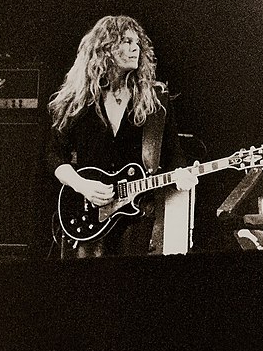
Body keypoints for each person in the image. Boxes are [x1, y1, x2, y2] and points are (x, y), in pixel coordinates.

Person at [47, 15, 195, 258]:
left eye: (137, 43)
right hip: (88, 213)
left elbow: (173, 154)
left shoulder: (153, 101)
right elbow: (53, 154)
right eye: (126, 41)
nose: (135, 47)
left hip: (136, 218)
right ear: (104, 49)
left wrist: (183, 175)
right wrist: (81, 184)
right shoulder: (79, 100)